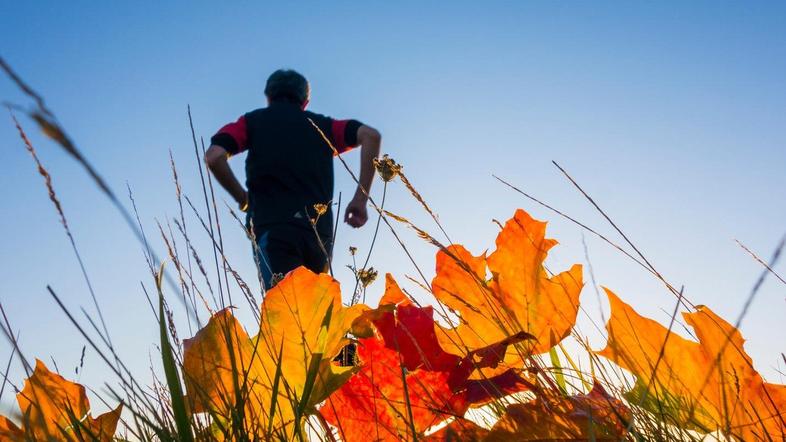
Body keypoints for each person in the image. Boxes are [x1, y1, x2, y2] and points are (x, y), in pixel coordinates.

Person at [205, 69, 381, 289]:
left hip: (274, 230)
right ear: (305, 102)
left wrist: (243, 199)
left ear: (269, 97)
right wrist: (360, 199)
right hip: (319, 234)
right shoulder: (323, 126)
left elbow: (214, 156)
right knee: (315, 308)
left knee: (284, 306)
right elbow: (371, 135)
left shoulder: (251, 122)